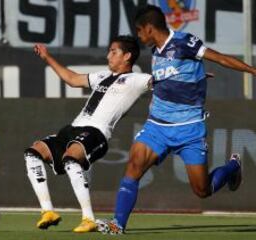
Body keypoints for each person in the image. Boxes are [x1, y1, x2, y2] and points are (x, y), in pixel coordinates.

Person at [97, 5, 256, 235]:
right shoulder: (156, 51)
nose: (139, 37)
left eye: (140, 31)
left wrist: (252, 70)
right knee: (134, 165)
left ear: (149, 29)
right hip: (157, 126)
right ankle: (117, 224)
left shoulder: (184, 42)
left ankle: (233, 167)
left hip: (189, 129)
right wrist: (196, 77)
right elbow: (170, 76)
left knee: (203, 190)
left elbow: (219, 58)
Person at [24, 36, 151, 233]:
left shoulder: (136, 80)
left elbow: (161, 82)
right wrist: (47, 57)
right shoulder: (102, 76)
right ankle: (48, 212)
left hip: (96, 133)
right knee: (33, 152)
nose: (108, 55)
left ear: (127, 56)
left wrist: (191, 78)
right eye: (109, 50)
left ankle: (88, 218)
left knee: (71, 160)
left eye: (113, 51)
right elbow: (72, 79)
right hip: (73, 129)